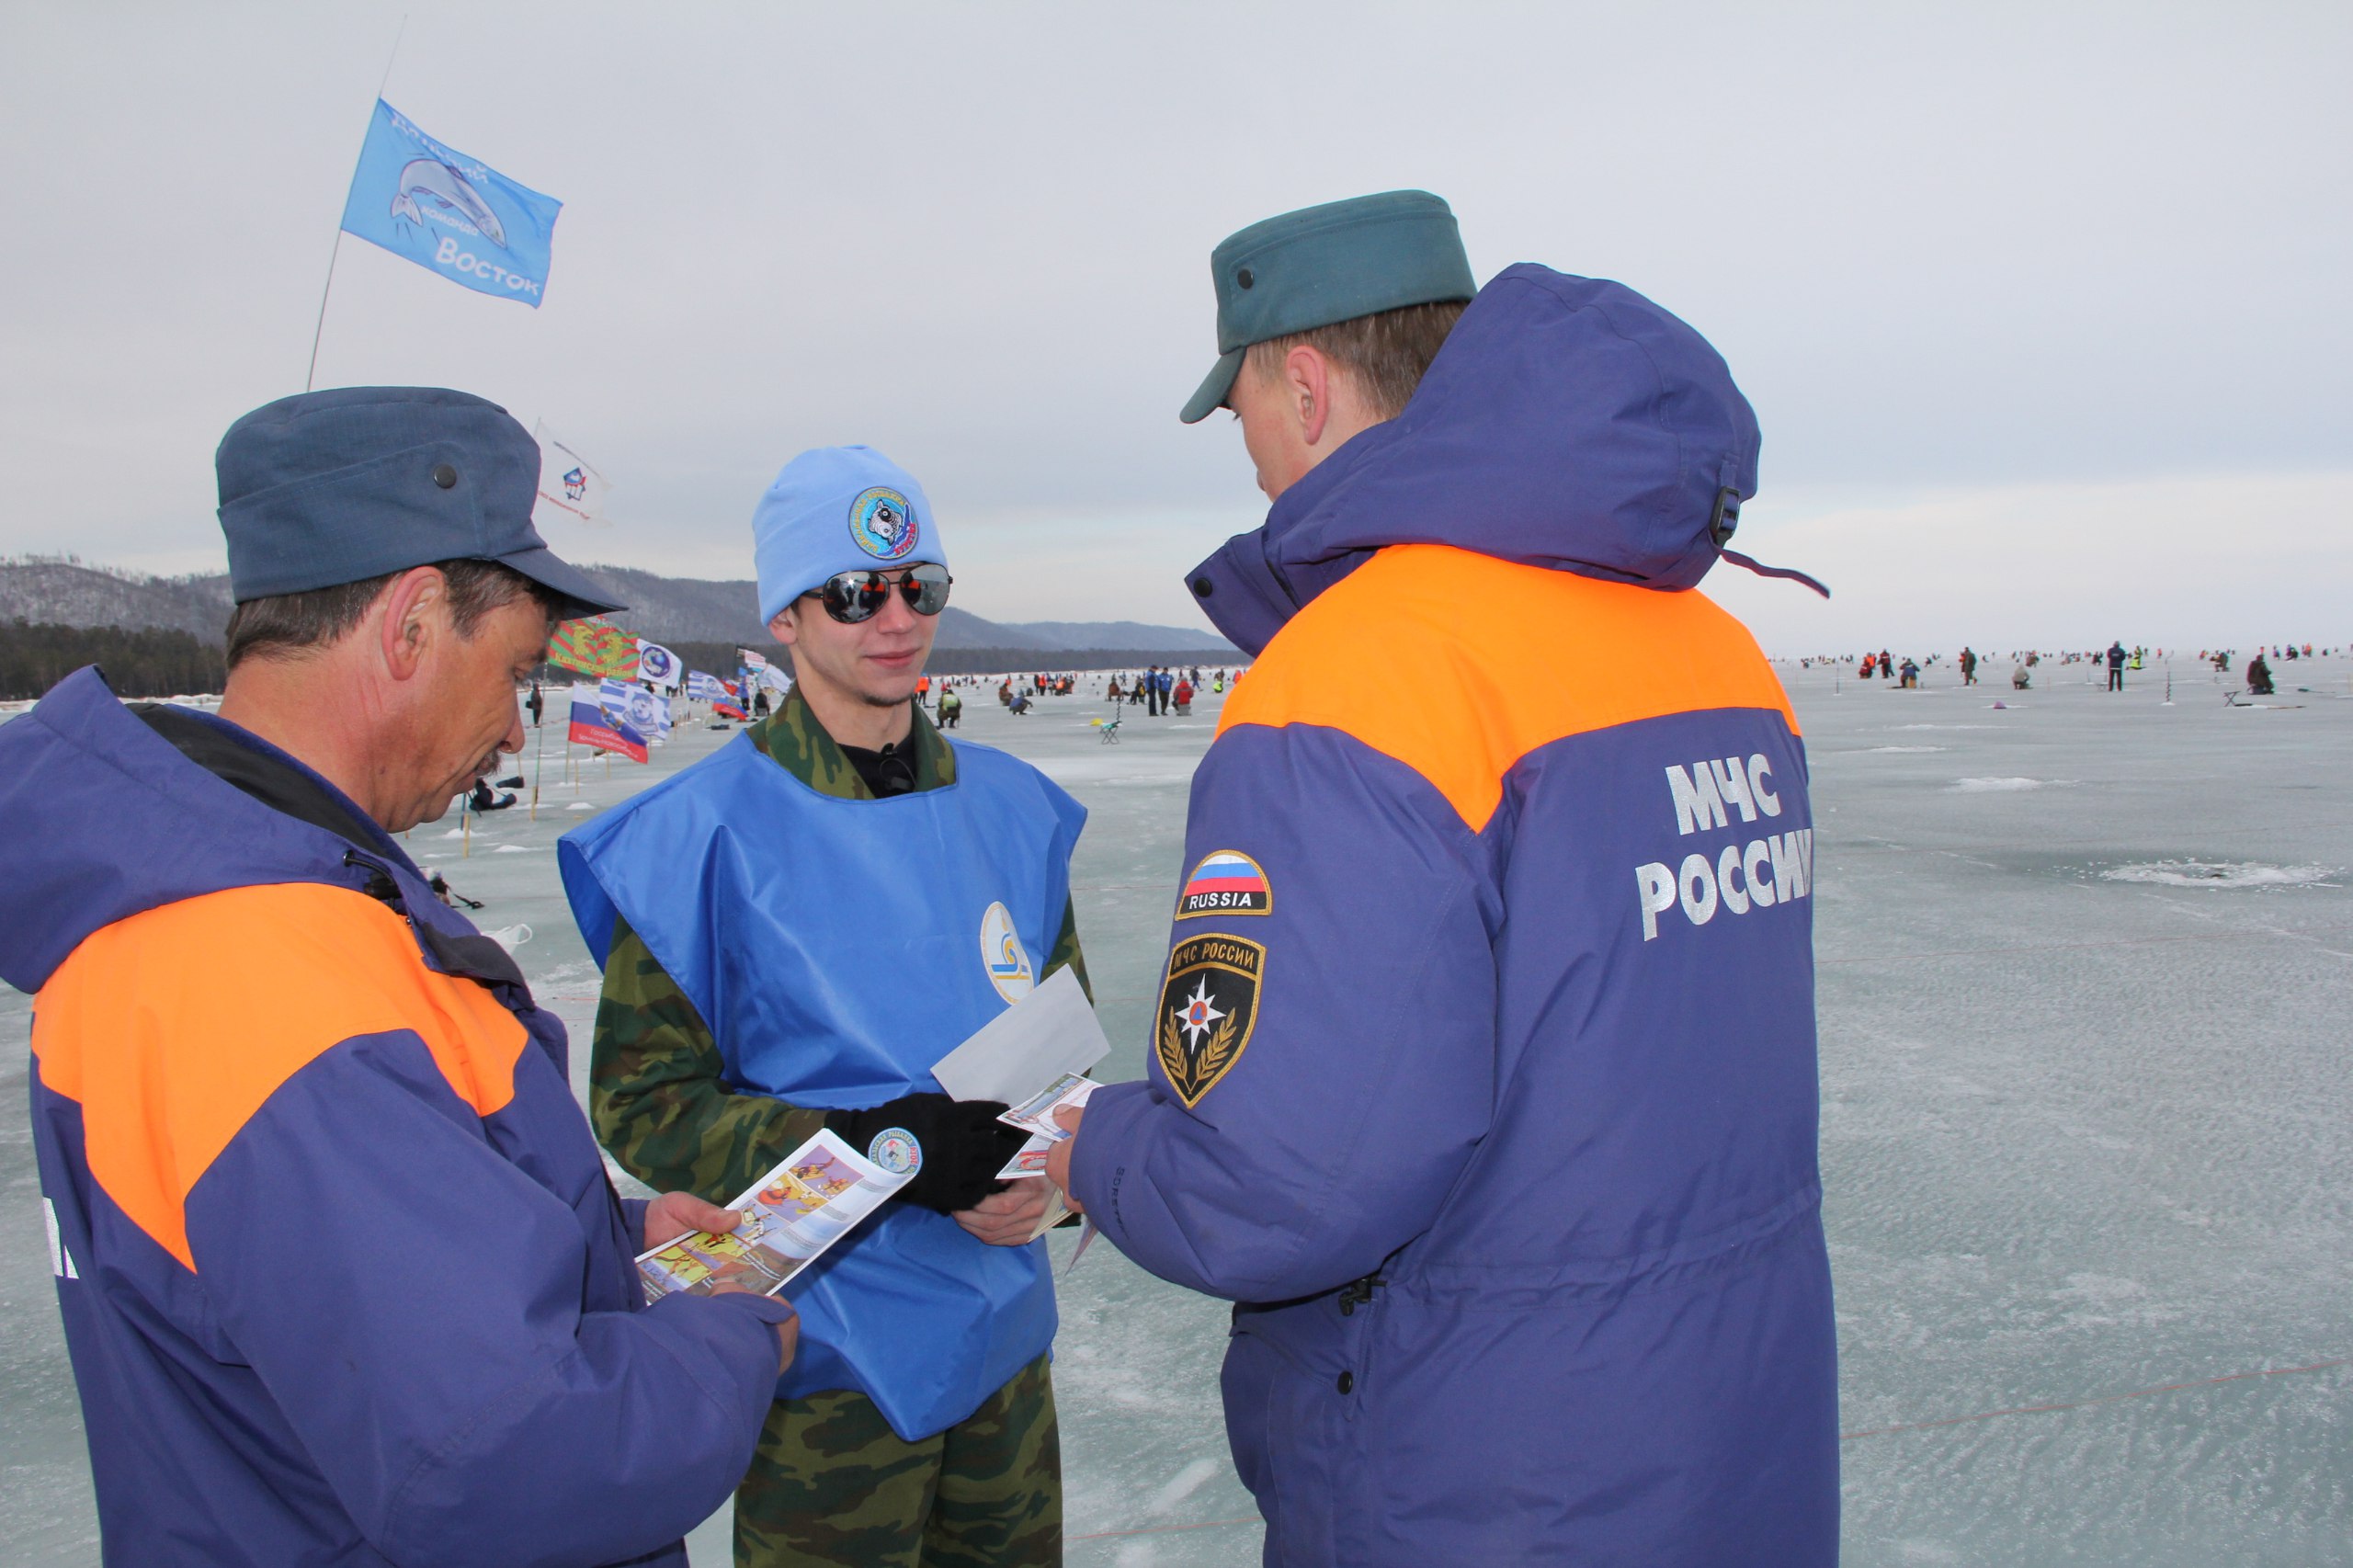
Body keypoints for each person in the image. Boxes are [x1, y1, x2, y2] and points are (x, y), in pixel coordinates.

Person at [1044, 192, 1837, 1562]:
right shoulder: (1713, 648)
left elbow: (1279, 1181)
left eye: (1239, 405)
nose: (1247, 449)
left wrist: (1094, 1147)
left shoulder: (1367, 672)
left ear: (1304, 386)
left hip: (1487, 1475)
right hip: (1726, 1440)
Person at [0, 387, 797, 1567]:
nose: (517, 729)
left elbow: (309, 1282)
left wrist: (607, 1247)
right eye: (518, 670)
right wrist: (727, 1340)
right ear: (413, 623)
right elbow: (504, 1454)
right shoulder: (265, 974)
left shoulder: (203, 909)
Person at [561, 446, 1082, 1568]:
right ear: (784, 617)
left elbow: (1061, 1051)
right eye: (854, 592)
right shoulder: (699, 836)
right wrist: (874, 1147)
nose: (896, 620)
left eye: (920, 587)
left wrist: (1051, 1177)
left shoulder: (1015, 811)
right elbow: (646, 1103)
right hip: (826, 1365)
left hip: (1002, 1343)